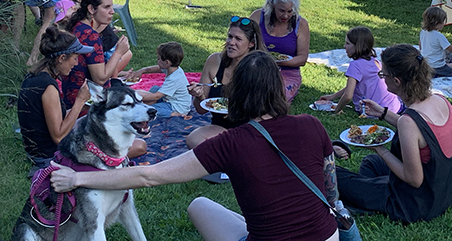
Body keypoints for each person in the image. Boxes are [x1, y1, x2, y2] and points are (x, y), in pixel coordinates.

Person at [51, 51, 341, 241]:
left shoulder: (231, 143)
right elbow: (331, 192)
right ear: (279, 89)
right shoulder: (311, 124)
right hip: (328, 236)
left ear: (235, 93)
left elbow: (149, 175)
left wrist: (77, 178)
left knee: (199, 205)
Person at [336, 44, 452, 224]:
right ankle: (369, 193)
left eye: (383, 75)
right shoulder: (441, 101)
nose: (382, 79)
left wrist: (378, 147)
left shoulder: (408, 121)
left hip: (413, 205)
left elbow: (414, 179)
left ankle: (371, 199)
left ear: (397, 81)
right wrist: (384, 113)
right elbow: (423, 131)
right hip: (439, 195)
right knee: (371, 163)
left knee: (335, 174)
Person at [17, 26, 93, 177]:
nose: (76, 63)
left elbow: (50, 119)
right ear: (61, 58)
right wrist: (79, 100)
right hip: (47, 157)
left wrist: (85, 106)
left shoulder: (35, 76)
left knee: (92, 120)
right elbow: (58, 137)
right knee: (136, 147)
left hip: (37, 152)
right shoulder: (48, 87)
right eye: (75, 58)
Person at [186, 16, 265, 149]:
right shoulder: (214, 61)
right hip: (221, 128)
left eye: (238, 39)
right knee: (193, 139)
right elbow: (200, 110)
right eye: (230, 37)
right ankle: (229, 155)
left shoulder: (259, 67)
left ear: (251, 43)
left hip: (250, 128)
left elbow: (268, 112)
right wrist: (199, 96)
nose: (231, 42)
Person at [62, 0, 130, 109]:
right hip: (87, 105)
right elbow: (100, 79)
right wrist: (118, 52)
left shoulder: (77, 26)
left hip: (71, 97)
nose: (112, 11)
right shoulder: (90, 36)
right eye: (106, 7)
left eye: (112, 7)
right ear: (91, 9)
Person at [320, 26, 401, 115]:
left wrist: (337, 110)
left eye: (348, 43)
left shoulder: (355, 65)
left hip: (374, 111)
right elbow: (352, 86)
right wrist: (332, 96)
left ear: (358, 46)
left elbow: (348, 96)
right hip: (393, 106)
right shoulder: (374, 61)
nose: (344, 46)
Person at [250, 0, 310, 102]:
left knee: (275, 99)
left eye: (290, 11)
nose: (286, 15)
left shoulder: (301, 24)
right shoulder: (257, 16)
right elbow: (244, 42)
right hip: (258, 68)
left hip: (287, 73)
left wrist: (279, 61)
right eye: (281, 10)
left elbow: (302, 59)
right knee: (251, 95)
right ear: (273, 5)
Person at [127, 42, 191, 118]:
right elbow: (158, 68)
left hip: (177, 107)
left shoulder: (174, 78)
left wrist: (137, 96)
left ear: (167, 62)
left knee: (150, 110)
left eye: (158, 59)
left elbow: (156, 96)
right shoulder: (173, 68)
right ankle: (153, 103)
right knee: (155, 88)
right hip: (170, 99)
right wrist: (143, 70)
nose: (157, 61)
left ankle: (175, 114)